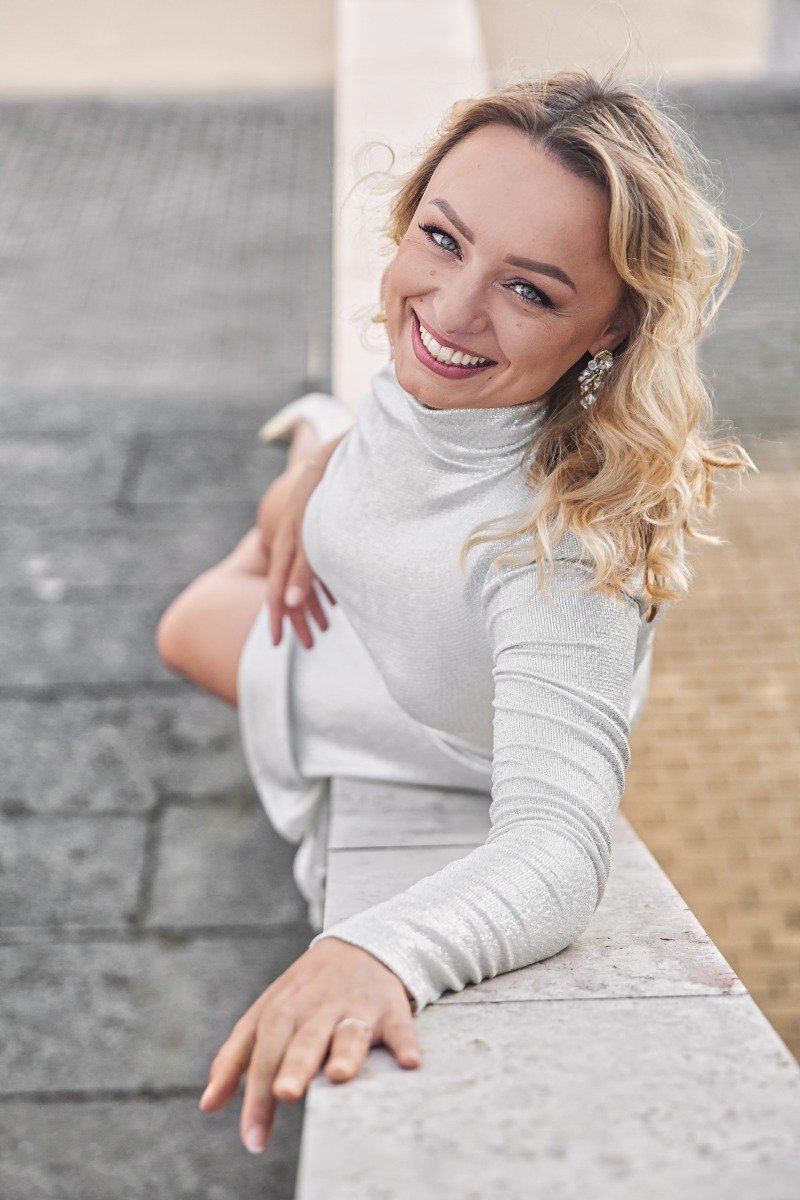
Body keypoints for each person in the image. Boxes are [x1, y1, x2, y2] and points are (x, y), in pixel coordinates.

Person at [155, 65, 755, 1155]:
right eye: (441, 238)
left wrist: (376, 951)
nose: (453, 309)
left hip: (431, 733)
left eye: (531, 291)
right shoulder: (445, 373)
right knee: (286, 517)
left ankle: (299, 465)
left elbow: (558, 854)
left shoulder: (560, 553)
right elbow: (415, 419)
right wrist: (329, 459)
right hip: (391, 622)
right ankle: (305, 449)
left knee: (189, 625)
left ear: (610, 328)